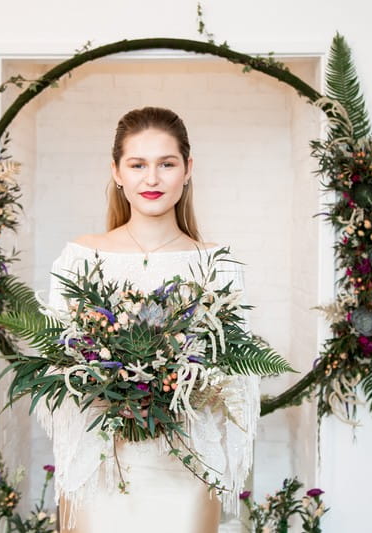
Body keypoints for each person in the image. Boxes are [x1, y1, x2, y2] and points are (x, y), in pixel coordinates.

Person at [37, 107, 260, 533]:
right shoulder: (81, 258)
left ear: (188, 169)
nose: (152, 179)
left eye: (166, 164)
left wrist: (176, 385)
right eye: (137, 164)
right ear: (117, 172)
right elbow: (56, 368)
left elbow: (238, 378)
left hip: (188, 469)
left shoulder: (218, 265)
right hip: (101, 465)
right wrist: (113, 389)